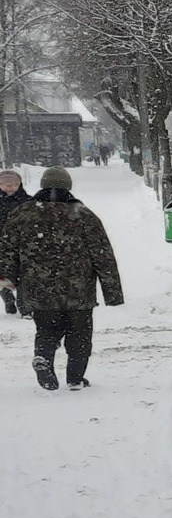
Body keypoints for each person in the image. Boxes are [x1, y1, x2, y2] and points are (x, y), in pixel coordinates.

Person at [0, 167, 123, 390]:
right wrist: (112, 292)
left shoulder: (22, 213)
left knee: (46, 329)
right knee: (80, 334)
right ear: (68, 186)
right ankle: (75, 378)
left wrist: (7, 278)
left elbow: (8, 249)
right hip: (79, 288)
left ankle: (44, 358)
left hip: (38, 287)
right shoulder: (83, 214)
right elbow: (102, 254)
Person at [0, 169, 31, 316]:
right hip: (1, 244)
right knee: (3, 275)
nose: (9, 187)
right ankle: (7, 298)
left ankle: (24, 306)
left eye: (13, 185)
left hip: (22, 243)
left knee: (24, 275)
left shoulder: (27, 201)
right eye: (5, 185)